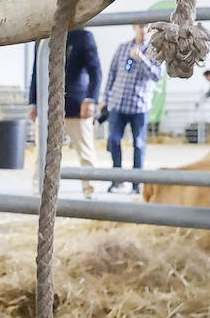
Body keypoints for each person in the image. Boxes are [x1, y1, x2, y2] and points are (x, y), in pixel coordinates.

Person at [27, 29, 102, 197]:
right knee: (42, 152)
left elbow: (95, 70)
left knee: (85, 152)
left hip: (77, 105)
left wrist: (90, 99)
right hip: (47, 105)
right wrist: (33, 102)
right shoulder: (42, 36)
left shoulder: (83, 36)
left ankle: (91, 191)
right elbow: (35, 71)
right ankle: (39, 190)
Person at [101, 24, 164, 193]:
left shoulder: (155, 50)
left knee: (139, 144)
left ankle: (137, 184)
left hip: (139, 106)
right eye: (139, 26)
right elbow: (112, 74)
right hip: (117, 104)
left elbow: (157, 76)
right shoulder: (122, 48)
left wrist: (141, 59)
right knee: (114, 140)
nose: (142, 29)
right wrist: (105, 99)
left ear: (149, 28)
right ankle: (117, 180)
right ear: (134, 27)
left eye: (145, 26)